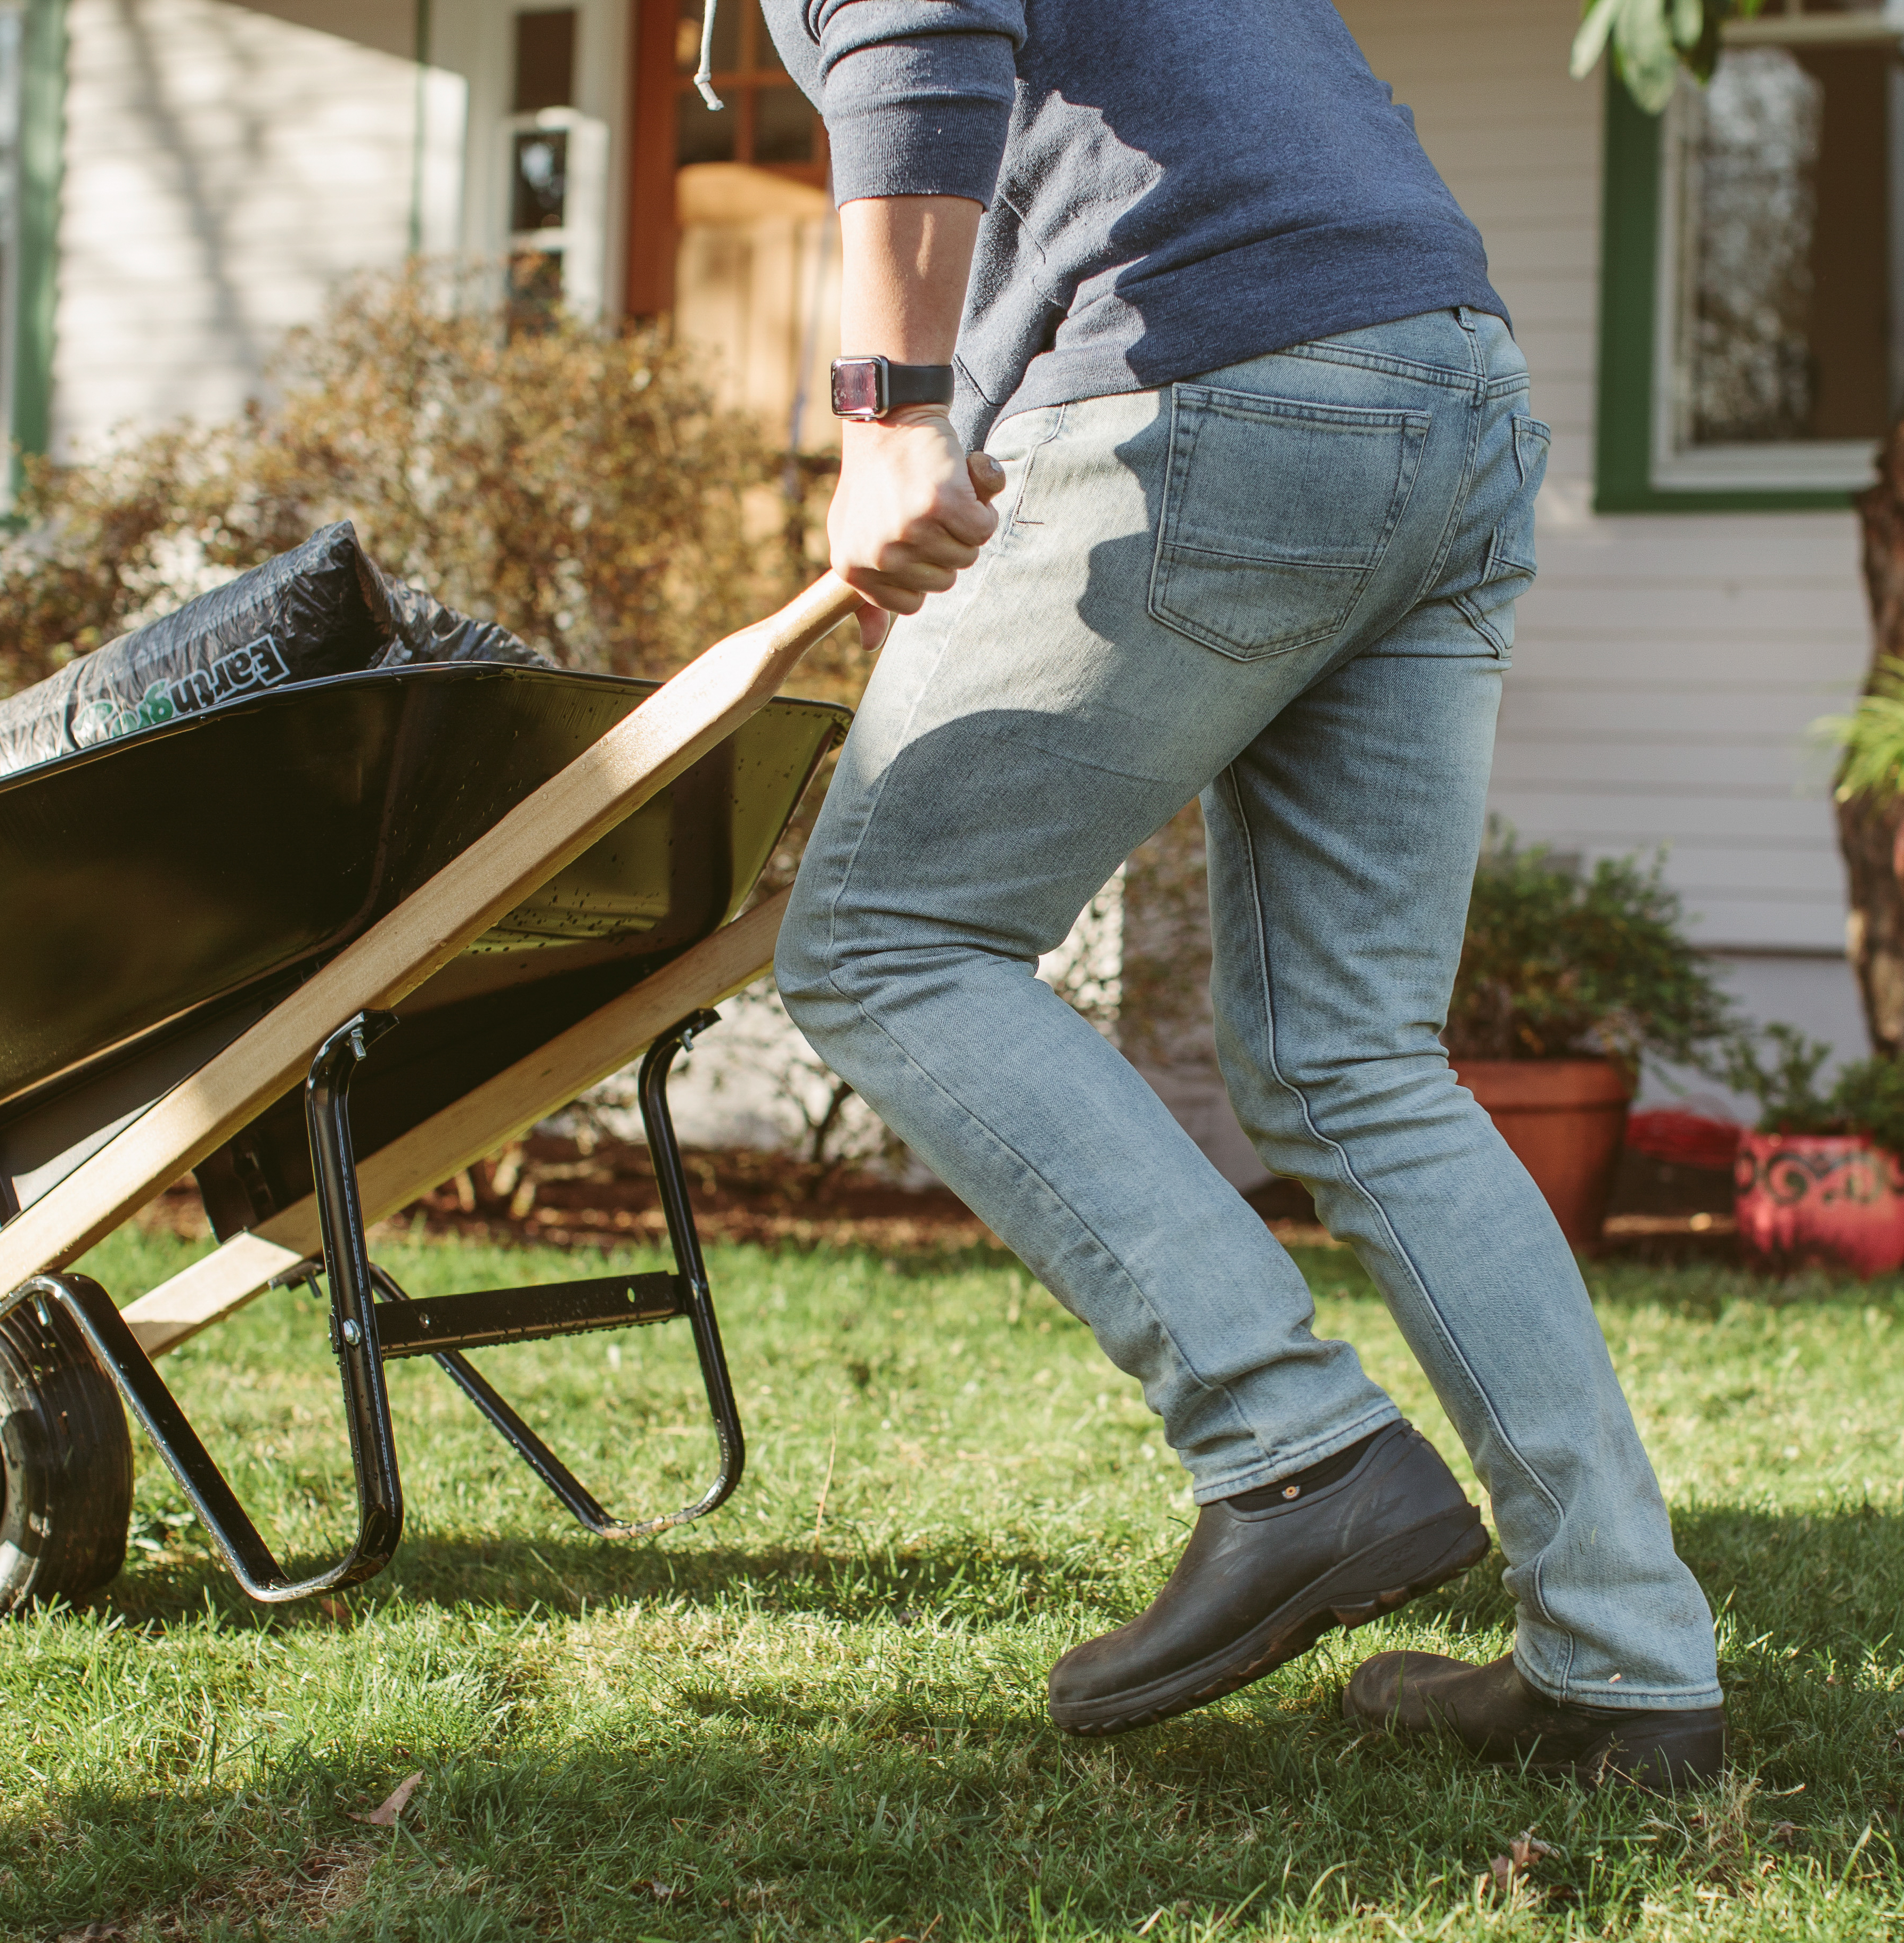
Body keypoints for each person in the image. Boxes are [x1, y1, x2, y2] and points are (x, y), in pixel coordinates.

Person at [756, 0, 1725, 1786]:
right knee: (1353, 1057)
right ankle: (1628, 1662)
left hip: (1211, 382)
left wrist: (885, 416)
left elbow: (912, 26)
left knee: (889, 945)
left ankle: (1293, 1451)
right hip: (1445, 382)